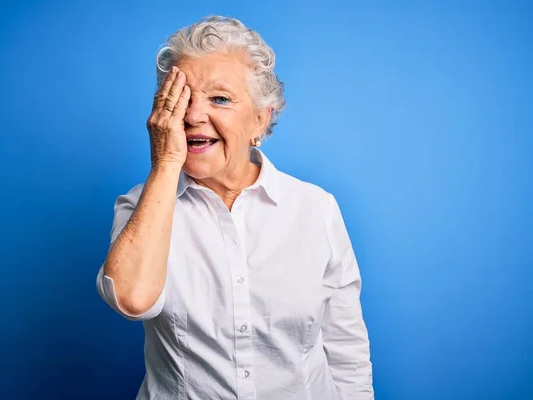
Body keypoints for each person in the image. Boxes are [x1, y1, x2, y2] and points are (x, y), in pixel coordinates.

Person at [96, 15, 373, 400]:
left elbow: (347, 352)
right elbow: (131, 299)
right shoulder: (140, 206)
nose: (193, 116)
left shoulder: (316, 209)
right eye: (181, 98)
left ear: (261, 118)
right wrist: (165, 164)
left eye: (219, 98)